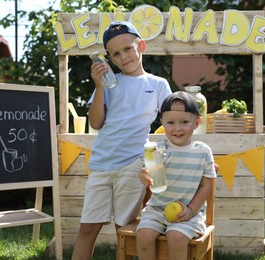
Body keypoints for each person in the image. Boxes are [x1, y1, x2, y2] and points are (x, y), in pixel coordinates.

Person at [71, 21, 172, 260]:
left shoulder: (157, 84)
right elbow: (95, 123)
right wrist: (98, 86)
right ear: (109, 59)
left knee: (124, 230)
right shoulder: (107, 83)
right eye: (115, 53)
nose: (123, 56)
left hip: (133, 165)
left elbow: (171, 121)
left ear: (142, 46)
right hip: (101, 165)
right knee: (87, 228)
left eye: (128, 48)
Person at [136, 91, 217, 260]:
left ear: (197, 122)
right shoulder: (158, 150)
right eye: (171, 122)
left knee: (176, 237)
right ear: (162, 123)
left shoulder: (202, 151)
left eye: (185, 122)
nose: (177, 128)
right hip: (157, 209)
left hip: (189, 213)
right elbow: (148, 172)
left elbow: (206, 185)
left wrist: (191, 210)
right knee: (143, 235)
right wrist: (143, 175)